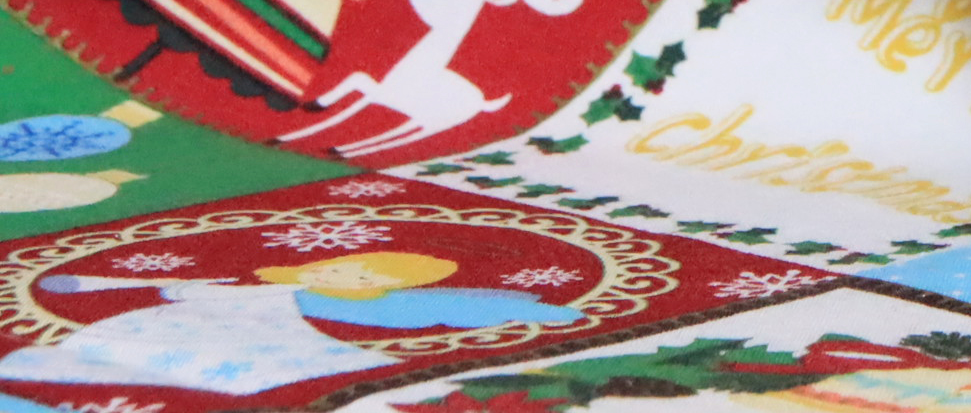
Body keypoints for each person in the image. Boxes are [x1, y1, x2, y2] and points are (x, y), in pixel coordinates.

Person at [0, 252, 580, 391]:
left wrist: (538, 311)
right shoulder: (274, 292)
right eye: (336, 267)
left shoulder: (366, 305)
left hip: (280, 354)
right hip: (177, 338)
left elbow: (456, 307)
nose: (342, 273)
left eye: (360, 273)